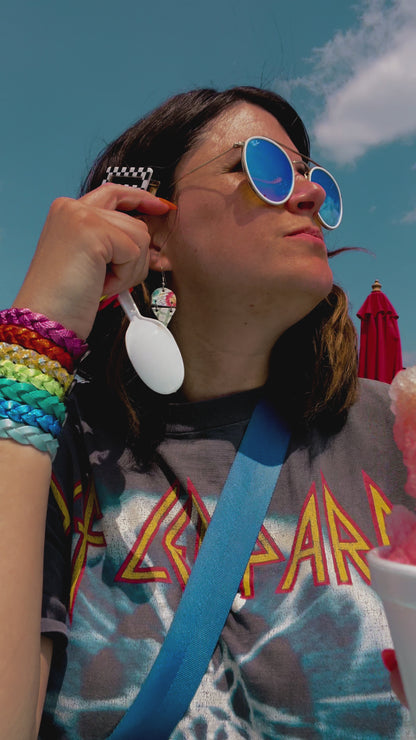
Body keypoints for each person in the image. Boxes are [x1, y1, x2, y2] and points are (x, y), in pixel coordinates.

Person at [0, 86, 413, 739]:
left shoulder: (399, 429)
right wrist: (34, 342)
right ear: (149, 230)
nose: (306, 195)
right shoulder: (51, 452)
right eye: (262, 170)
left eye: (310, 177)